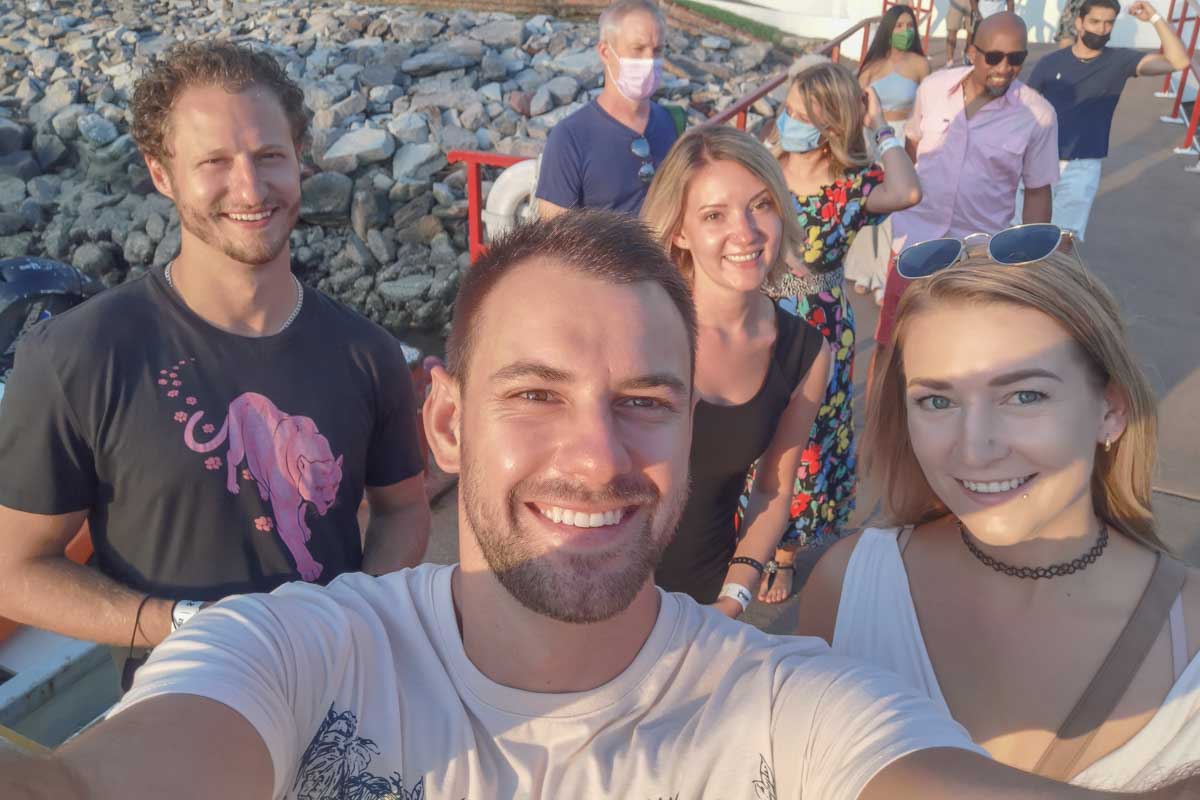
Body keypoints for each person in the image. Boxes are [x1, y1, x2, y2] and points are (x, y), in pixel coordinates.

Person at [10, 211, 1200, 800]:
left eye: (645, 400)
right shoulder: (295, 646)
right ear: (443, 420)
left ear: (692, 429)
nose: (596, 453)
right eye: (535, 392)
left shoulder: (784, 698)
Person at [0, 42, 431, 655]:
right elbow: (13, 571)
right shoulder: (77, 356)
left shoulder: (368, 351)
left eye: (269, 156)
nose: (250, 188)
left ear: (300, 160)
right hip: (176, 713)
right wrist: (183, 625)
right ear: (161, 173)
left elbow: (403, 512)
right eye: (215, 162)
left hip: (341, 688)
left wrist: (355, 615)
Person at [799, 231, 1200, 790]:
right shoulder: (848, 587)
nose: (975, 447)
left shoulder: (1191, 633)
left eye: (1024, 395)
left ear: (1110, 410)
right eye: (937, 401)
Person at [641, 126, 831, 611]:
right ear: (680, 231)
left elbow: (772, 488)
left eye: (761, 204)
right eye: (714, 215)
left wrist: (735, 597)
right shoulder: (632, 329)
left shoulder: (803, 352)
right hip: (596, 590)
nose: (745, 232)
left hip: (704, 603)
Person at [766, 55, 922, 601]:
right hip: (756, 318)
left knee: (806, 440)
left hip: (818, 328)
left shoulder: (850, 187)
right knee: (750, 429)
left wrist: (880, 126)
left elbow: (908, 193)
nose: (788, 122)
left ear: (832, 125)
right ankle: (744, 534)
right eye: (786, 110)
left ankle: (783, 554)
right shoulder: (763, 168)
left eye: (802, 114)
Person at [874, 12, 1060, 349]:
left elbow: (1036, 192)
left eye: (1016, 59)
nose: (1004, 68)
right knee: (892, 347)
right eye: (994, 57)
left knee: (959, 355)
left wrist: (1031, 266)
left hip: (976, 257)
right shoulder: (932, 89)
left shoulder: (1039, 116)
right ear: (972, 52)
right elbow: (911, 149)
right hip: (914, 245)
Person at [1017, 0, 1190, 241]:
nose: (1101, 29)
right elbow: (1022, 112)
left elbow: (1179, 62)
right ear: (1079, 22)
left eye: (1108, 23)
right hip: (1039, 160)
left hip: (1082, 167)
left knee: (1064, 242)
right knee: (1019, 236)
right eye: (1095, 21)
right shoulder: (1050, 63)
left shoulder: (1120, 61)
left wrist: (1154, 18)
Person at [535, 0, 679, 218]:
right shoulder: (570, 137)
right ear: (604, 52)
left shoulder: (670, 122)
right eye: (638, 49)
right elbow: (553, 238)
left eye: (657, 50)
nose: (649, 61)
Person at [846, 3, 931, 303]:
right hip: (872, 140)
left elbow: (928, 109)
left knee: (894, 211)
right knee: (868, 204)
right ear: (887, 29)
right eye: (899, 26)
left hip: (901, 140)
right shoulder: (871, 67)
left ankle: (885, 275)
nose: (905, 32)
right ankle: (864, 270)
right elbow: (855, 107)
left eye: (910, 27)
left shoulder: (921, 65)